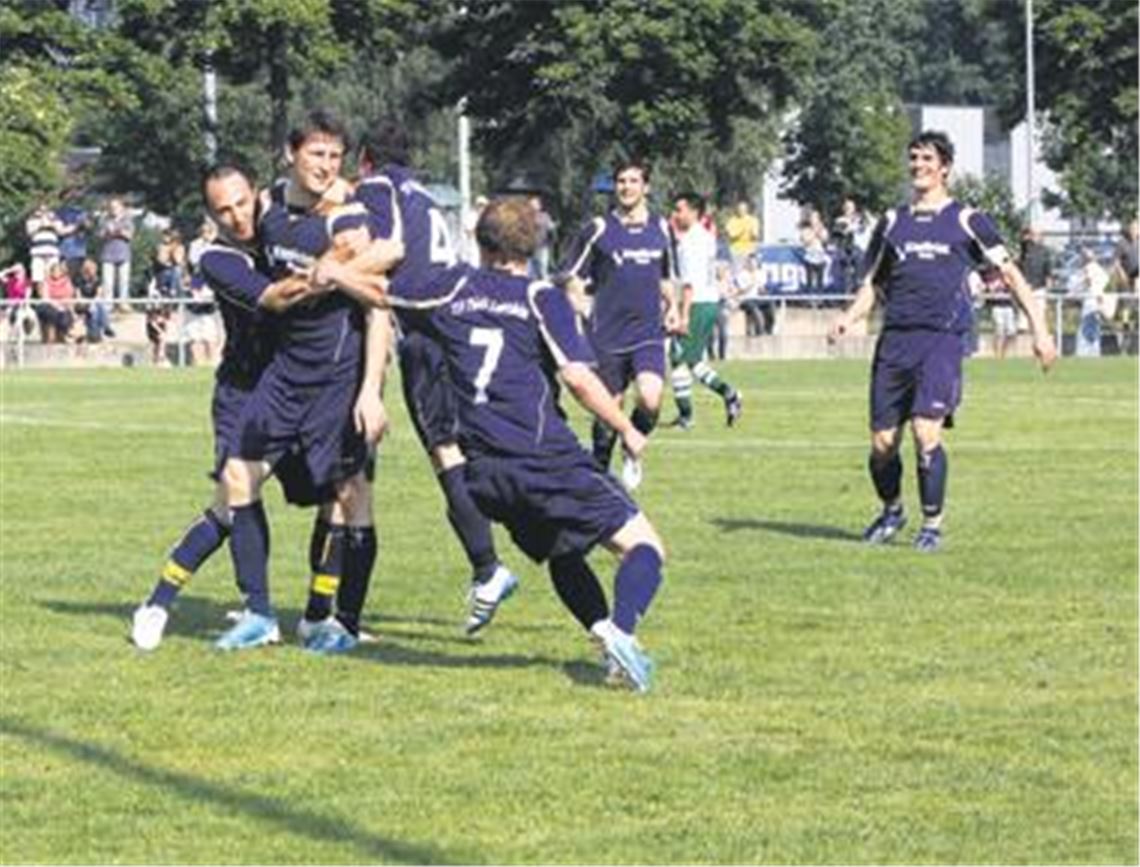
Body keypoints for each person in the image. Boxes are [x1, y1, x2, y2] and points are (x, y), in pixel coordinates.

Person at [382, 197, 667, 692]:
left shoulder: (451, 287)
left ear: (478, 238)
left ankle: (605, 638)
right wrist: (625, 427)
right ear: (534, 243)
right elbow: (578, 378)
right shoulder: (541, 297)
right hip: (544, 456)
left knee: (562, 552)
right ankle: (621, 629)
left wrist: (328, 273)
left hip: (487, 473)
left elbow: (383, 290)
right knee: (645, 548)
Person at [215, 109, 393, 654]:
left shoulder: (346, 217)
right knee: (237, 477)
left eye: (335, 156)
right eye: (316, 154)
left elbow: (380, 301)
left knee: (350, 493)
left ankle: (343, 621)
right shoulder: (268, 206)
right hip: (284, 374)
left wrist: (370, 391)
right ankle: (260, 614)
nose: (325, 165)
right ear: (291, 154)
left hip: (338, 380)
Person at [829, 130, 1056, 553]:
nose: (918, 165)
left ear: (945, 167)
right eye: (913, 158)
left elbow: (1011, 275)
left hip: (942, 340)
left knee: (925, 431)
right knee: (882, 443)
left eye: (927, 158)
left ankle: (932, 523)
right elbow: (872, 284)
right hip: (895, 340)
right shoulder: (893, 221)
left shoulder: (968, 220)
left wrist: (1041, 330)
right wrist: (848, 317)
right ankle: (892, 510)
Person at [130, 163, 320, 651]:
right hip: (244, 392)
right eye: (223, 209)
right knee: (232, 502)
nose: (237, 216)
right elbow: (275, 298)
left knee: (344, 495)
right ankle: (162, 602)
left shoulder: (285, 226)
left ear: (256, 193)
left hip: (298, 385)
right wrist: (340, 272)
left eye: (241, 201)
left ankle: (324, 617)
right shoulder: (214, 257)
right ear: (212, 215)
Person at [344, 119, 520, 635]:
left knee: (446, 452)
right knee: (461, 453)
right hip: (455, 321)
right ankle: (488, 560)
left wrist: (326, 274)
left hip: (426, 332)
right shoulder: (422, 193)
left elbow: (388, 252)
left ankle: (488, 567)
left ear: (366, 161)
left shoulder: (377, 188)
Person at [559, 157, 679, 491]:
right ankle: (598, 474)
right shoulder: (598, 229)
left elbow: (666, 279)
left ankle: (631, 448)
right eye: (621, 182)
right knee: (608, 413)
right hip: (607, 335)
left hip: (647, 333)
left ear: (646, 187)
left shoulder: (661, 229)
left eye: (633, 181)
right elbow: (570, 276)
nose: (626, 187)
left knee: (651, 397)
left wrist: (673, 308)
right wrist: (580, 307)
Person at [667, 192, 743, 431]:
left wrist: (684, 315)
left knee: (678, 360)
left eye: (679, 210)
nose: (675, 215)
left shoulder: (690, 241)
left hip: (698, 303)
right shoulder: (707, 237)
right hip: (709, 301)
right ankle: (729, 394)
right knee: (693, 361)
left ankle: (687, 417)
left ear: (693, 211)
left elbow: (689, 284)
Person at [1075, 247, 1111, 357]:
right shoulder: (1098, 270)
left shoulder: (1090, 269)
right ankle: (1094, 354)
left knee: (1086, 332)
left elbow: (1088, 282)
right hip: (1095, 302)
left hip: (1092, 302)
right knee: (1093, 331)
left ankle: (1084, 354)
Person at [99, 197, 135, 305]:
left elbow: (129, 235)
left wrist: (118, 231)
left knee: (123, 281)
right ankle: (108, 305)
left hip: (123, 254)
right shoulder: (105, 220)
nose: (113, 209)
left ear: (122, 208)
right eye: (111, 207)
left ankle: (123, 304)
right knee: (107, 282)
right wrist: (108, 232)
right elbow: (100, 235)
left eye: (116, 207)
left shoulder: (128, 220)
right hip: (108, 254)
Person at [33, 261, 76, 343]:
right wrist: (55, 304)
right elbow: (45, 296)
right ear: (51, 272)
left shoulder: (67, 281)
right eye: (54, 271)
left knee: (65, 318)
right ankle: (50, 340)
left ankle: (63, 337)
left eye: (58, 271)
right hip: (50, 306)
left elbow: (69, 295)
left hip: (63, 306)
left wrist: (64, 306)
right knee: (50, 313)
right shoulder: (47, 281)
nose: (56, 273)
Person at [25, 202, 62, 291]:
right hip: (37, 253)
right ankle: (43, 299)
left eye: (45, 210)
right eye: (41, 210)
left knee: (52, 277)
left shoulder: (55, 219)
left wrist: (51, 223)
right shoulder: (31, 220)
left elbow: (60, 231)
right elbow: (30, 232)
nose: (43, 212)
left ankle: (50, 299)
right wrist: (41, 224)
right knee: (38, 278)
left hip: (52, 252)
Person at [983, 267, 1017, 360]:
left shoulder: (1008, 278)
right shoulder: (992, 277)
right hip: (997, 306)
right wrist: (996, 286)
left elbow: (1014, 289)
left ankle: (1004, 352)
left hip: (1008, 306)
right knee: (999, 331)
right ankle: (997, 354)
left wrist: (1008, 284)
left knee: (1011, 332)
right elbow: (989, 289)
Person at [724, 200, 760, 277]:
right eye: (740, 209)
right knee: (737, 274)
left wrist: (754, 234)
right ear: (737, 210)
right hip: (736, 250)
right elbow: (731, 235)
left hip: (749, 251)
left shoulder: (753, 220)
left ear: (747, 210)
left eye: (744, 209)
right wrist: (741, 231)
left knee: (751, 273)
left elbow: (755, 235)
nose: (742, 211)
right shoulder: (732, 220)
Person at [799, 208, 829, 292]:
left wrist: (820, 231)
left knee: (820, 281)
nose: (814, 220)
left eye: (815, 217)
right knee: (810, 281)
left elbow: (825, 239)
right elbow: (806, 240)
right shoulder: (806, 230)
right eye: (812, 218)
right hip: (809, 258)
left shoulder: (822, 229)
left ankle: (820, 299)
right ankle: (809, 299)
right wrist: (814, 232)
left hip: (820, 258)